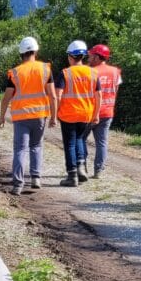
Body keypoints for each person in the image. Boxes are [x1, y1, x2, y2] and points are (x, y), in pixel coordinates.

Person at [0, 36, 57, 195]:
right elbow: (52, 95)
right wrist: (53, 117)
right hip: (39, 116)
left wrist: (2, 116)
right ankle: (36, 178)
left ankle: (18, 185)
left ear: (21, 53)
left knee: (20, 150)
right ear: (35, 51)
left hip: (21, 118)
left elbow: (6, 98)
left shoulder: (15, 73)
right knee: (36, 146)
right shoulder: (45, 69)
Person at [55, 40, 102, 187]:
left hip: (68, 114)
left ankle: (72, 176)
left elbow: (58, 95)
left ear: (70, 56)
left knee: (69, 143)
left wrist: (54, 113)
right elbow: (99, 96)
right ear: (83, 56)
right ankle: (81, 167)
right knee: (80, 139)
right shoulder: (93, 73)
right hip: (86, 114)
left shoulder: (65, 73)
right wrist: (96, 114)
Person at [80, 44, 121, 178]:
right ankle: (98, 170)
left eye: (91, 55)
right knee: (102, 142)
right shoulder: (115, 71)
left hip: (90, 112)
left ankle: (82, 167)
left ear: (97, 57)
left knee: (81, 139)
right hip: (107, 112)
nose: (89, 58)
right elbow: (115, 90)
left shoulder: (89, 71)